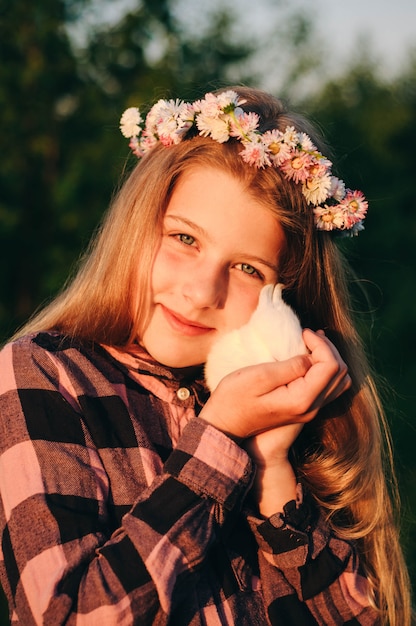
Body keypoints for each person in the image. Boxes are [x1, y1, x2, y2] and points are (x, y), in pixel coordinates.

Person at [0, 86, 411, 625]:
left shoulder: (292, 414)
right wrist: (217, 438)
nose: (201, 291)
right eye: (185, 239)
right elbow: (72, 616)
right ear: (135, 227)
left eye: (247, 269)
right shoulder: (44, 373)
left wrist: (269, 463)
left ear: (283, 297)